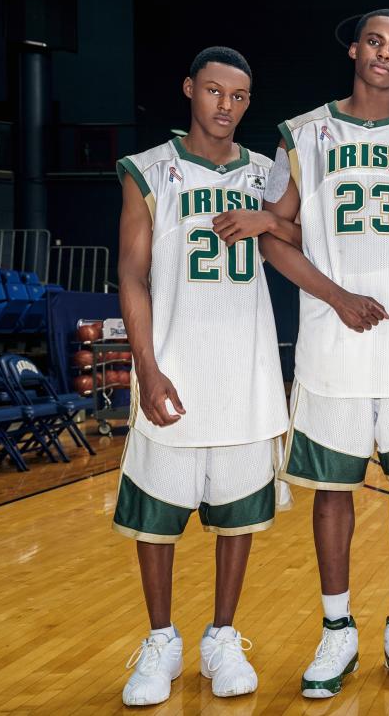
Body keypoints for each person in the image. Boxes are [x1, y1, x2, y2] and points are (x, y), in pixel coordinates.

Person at [258, 9, 389, 697]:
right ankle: (336, 628)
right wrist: (337, 295)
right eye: (374, 41)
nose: (384, 54)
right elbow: (275, 237)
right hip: (333, 340)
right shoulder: (302, 133)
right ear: (355, 48)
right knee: (332, 493)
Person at [114, 46, 290, 706]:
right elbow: (132, 274)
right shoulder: (150, 171)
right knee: (158, 518)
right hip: (174, 369)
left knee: (237, 516)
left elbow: (307, 238)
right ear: (190, 88)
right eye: (214, 91)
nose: (225, 106)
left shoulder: (268, 175)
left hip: (245, 369)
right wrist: (147, 366)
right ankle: (161, 639)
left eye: (238, 96)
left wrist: (271, 218)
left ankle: (222, 635)